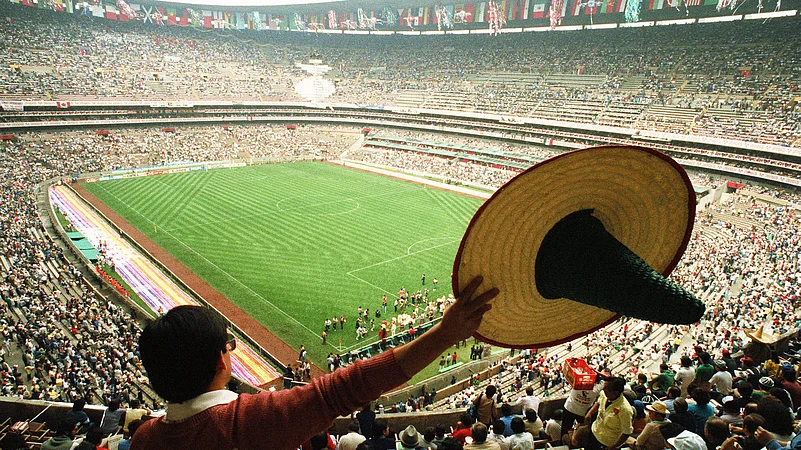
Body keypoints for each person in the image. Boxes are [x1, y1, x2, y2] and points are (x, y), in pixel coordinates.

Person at [130, 276, 497, 450]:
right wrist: (444, 334)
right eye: (228, 346)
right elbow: (347, 388)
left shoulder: (146, 438)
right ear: (220, 361)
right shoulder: (249, 422)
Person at [584, 377, 633, 450]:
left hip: (607, 442)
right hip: (595, 431)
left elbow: (627, 432)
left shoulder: (625, 410)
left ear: (616, 392)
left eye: (606, 390)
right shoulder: (605, 395)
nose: (603, 391)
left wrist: (615, 446)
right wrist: (590, 413)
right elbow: (598, 402)